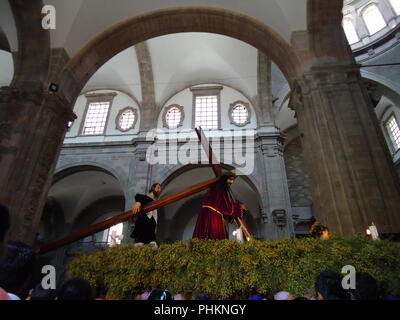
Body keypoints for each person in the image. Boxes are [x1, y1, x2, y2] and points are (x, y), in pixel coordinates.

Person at [192, 170, 246, 240]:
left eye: (233, 180)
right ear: (225, 179)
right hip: (213, 216)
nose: (232, 182)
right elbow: (226, 207)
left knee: (202, 237)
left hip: (204, 215)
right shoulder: (222, 189)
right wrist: (240, 207)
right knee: (215, 238)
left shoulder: (214, 189)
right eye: (231, 179)